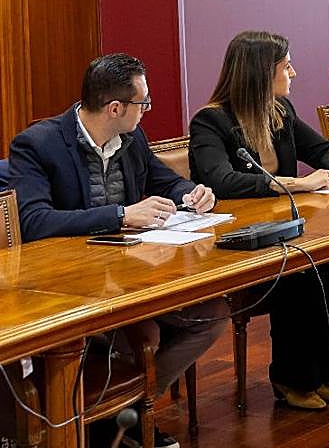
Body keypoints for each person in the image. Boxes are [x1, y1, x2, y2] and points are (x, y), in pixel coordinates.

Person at [7, 53, 228, 448]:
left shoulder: (130, 137)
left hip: (131, 271)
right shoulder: (38, 144)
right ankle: (113, 424)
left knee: (212, 313)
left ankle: (131, 412)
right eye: (143, 102)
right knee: (145, 332)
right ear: (114, 108)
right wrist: (121, 214)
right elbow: (35, 221)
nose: (147, 110)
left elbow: (162, 179)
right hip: (68, 285)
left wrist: (191, 193)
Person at [189, 31, 329, 411]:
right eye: (286, 67)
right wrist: (294, 184)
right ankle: (292, 378)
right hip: (236, 241)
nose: (293, 74)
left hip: (283, 230)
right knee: (301, 278)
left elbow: (325, 150)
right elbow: (221, 181)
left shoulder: (281, 111)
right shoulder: (211, 122)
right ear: (262, 73)